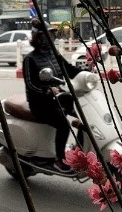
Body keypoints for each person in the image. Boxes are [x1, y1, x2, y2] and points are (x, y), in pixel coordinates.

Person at [23, 20, 81, 174]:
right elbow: (30, 84)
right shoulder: (30, 59)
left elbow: (68, 69)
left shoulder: (53, 54)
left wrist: (86, 74)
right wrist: (48, 90)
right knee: (63, 125)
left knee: (85, 117)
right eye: (46, 35)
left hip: (59, 98)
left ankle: (79, 153)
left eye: (51, 34)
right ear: (38, 37)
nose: (50, 38)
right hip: (40, 103)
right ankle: (59, 160)